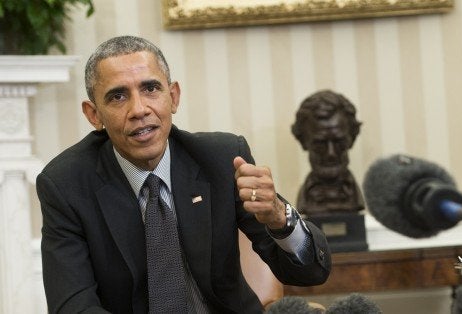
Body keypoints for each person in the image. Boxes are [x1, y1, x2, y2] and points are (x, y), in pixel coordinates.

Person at [36, 35, 331, 314]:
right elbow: (73, 306)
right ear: (94, 115)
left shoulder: (222, 158)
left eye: (150, 88)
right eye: (118, 96)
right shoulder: (65, 184)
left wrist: (280, 218)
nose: (139, 109)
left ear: (173, 97)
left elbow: (310, 272)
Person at [291, 90, 365, 216]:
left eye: (339, 142)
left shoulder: (354, 195)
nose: (331, 153)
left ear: (351, 139)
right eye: (320, 143)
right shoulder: (306, 198)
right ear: (304, 141)